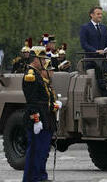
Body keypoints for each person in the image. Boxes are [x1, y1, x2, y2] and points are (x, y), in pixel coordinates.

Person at [22, 46, 61, 182]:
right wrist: (36, 120)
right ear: (36, 59)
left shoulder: (37, 74)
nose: (44, 62)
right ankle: (33, 178)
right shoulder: (30, 75)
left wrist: (54, 105)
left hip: (45, 117)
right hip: (37, 119)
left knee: (42, 152)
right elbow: (32, 100)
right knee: (35, 152)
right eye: (42, 59)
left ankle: (39, 176)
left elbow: (45, 98)